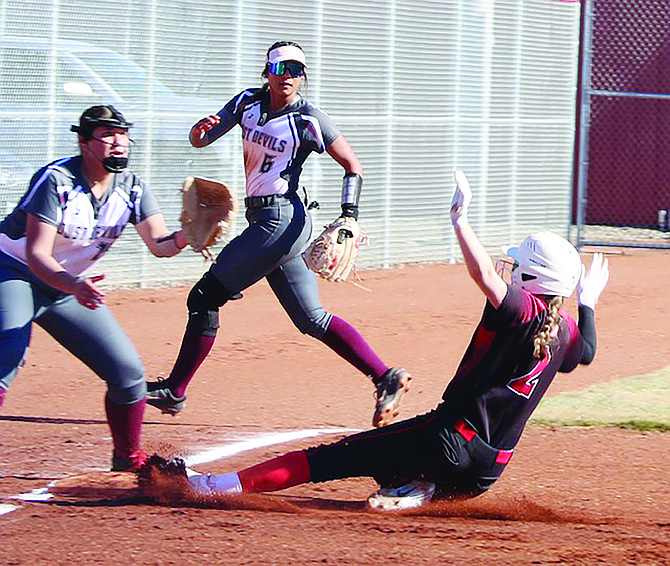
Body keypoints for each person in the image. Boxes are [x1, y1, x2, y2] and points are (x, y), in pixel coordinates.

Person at [145, 169, 610, 510]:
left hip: (448, 443)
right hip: (486, 473)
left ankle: (212, 486)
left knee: (325, 459)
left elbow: (486, 275)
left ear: (531, 277)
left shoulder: (521, 310)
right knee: (391, 450)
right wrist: (587, 303)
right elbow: (585, 352)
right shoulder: (565, 331)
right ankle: (420, 487)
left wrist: (459, 220)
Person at [145, 41, 411, 428]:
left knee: (204, 297)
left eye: (297, 70)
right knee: (312, 319)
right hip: (267, 223)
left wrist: (349, 215)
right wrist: (197, 134)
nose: (289, 76)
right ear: (267, 70)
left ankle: (175, 390)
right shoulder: (247, 103)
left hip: (282, 220)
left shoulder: (308, 119)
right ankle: (385, 376)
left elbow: (353, 165)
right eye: (282, 67)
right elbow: (202, 138)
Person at [0, 105, 189, 471]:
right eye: (107, 135)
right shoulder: (56, 181)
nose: (118, 142)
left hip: (68, 289)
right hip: (15, 272)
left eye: (122, 134)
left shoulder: (132, 188)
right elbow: (37, 255)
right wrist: (74, 285)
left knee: (128, 374)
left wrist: (188, 236)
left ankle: (128, 460)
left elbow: (159, 245)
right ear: (85, 143)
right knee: (8, 348)